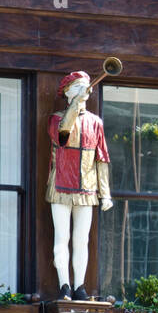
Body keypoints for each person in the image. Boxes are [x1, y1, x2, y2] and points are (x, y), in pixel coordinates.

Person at [47, 70, 113, 300]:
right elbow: (63, 134)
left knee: (81, 240)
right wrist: (74, 105)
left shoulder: (96, 122)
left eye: (84, 87)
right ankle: (64, 284)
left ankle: (80, 286)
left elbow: (102, 159)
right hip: (60, 186)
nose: (82, 91)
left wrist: (105, 194)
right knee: (61, 237)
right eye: (76, 87)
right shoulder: (56, 118)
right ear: (66, 93)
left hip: (87, 188)